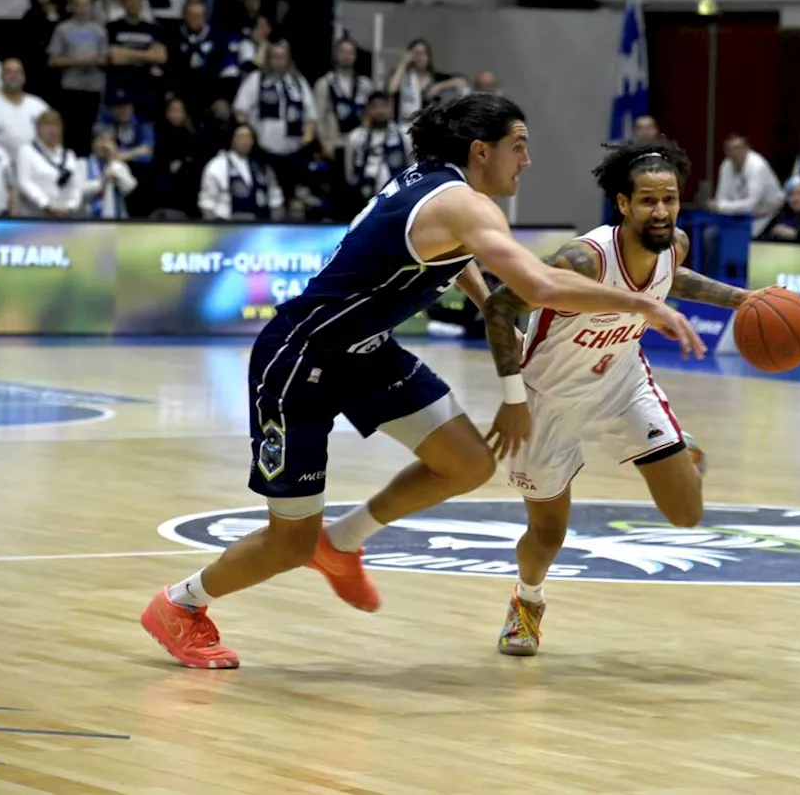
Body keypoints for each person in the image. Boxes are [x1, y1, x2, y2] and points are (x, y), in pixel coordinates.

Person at [141, 94, 706, 669]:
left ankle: (344, 542)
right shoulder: (466, 205)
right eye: (520, 146)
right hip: (301, 358)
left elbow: (447, 254)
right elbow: (539, 285)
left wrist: (488, 300)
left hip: (366, 352)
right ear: (481, 150)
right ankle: (180, 605)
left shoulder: (435, 184)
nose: (528, 161)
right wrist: (646, 306)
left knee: (468, 462)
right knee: (289, 543)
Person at [478, 140, 755, 656]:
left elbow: (672, 280)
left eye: (670, 199)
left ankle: (678, 447)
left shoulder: (676, 245)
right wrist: (512, 397)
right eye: (648, 200)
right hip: (547, 398)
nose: (662, 211)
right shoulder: (583, 258)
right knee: (547, 535)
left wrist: (741, 298)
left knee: (686, 515)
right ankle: (528, 601)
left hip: (622, 384)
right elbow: (498, 307)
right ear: (623, 204)